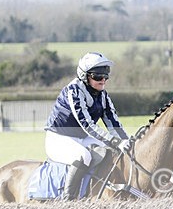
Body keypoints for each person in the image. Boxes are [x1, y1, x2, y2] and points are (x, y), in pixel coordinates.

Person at [45, 52, 130, 200]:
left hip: (82, 138)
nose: (103, 80)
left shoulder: (103, 95)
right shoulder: (73, 91)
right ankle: (68, 201)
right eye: (98, 76)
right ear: (85, 76)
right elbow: (87, 125)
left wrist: (126, 142)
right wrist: (114, 140)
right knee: (83, 156)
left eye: (106, 76)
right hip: (58, 138)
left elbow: (113, 123)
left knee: (113, 152)